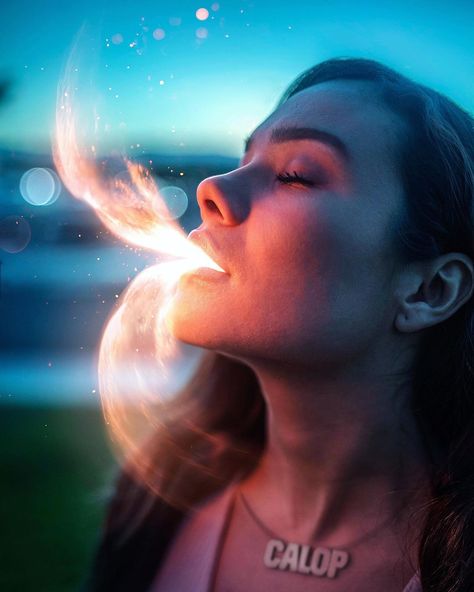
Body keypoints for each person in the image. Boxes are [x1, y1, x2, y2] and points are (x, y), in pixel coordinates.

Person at [83, 58, 474, 592]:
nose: (212, 188)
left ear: (430, 291)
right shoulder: (151, 507)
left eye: (295, 175)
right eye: (242, 160)